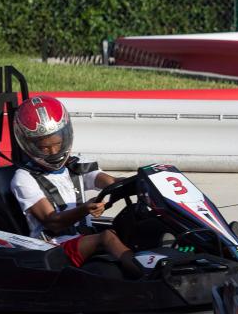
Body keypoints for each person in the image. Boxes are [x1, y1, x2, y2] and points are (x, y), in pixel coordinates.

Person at [9, 95, 141, 278]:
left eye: (57, 144)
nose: (54, 152)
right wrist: (85, 209)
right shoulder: (24, 178)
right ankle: (146, 275)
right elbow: (52, 222)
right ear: (29, 144)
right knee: (106, 237)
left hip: (82, 239)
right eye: (45, 147)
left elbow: (108, 181)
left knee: (136, 219)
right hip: (53, 248)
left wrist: (140, 181)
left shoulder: (76, 165)